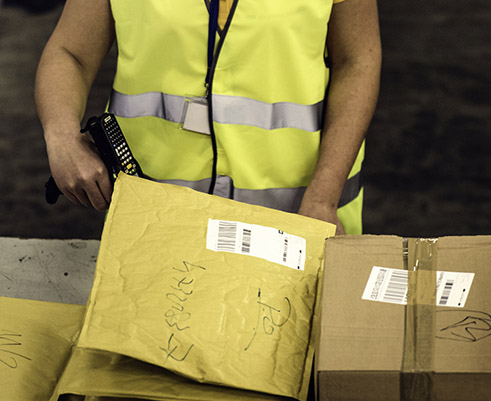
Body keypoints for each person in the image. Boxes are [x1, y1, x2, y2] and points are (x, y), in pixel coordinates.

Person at [35, 0, 381, 235]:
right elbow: (71, 52)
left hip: (296, 222)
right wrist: (61, 136)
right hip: (156, 222)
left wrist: (323, 198)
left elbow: (357, 60)